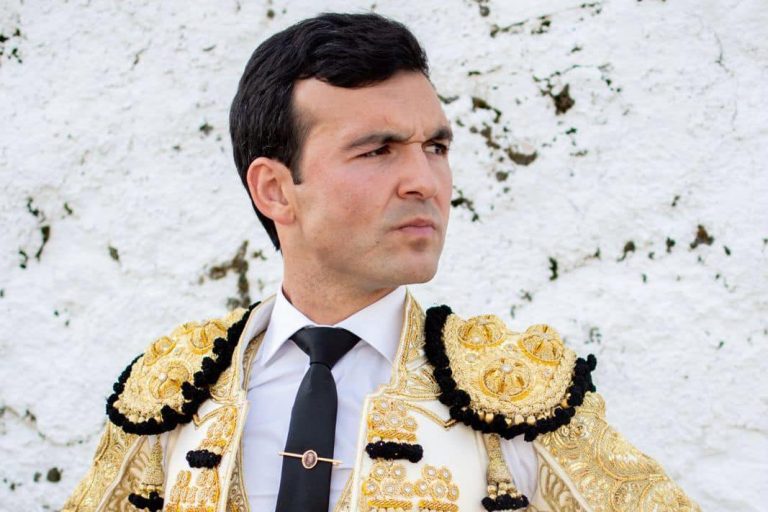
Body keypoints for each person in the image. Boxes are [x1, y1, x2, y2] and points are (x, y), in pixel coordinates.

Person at [62, 12, 700, 512]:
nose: (425, 180)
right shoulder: (170, 391)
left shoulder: (518, 391)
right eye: (378, 151)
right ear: (275, 190)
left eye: (436, 147)